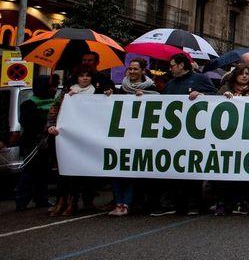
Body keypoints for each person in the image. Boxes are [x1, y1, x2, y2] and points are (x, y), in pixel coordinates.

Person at [149, 53, 216, 216]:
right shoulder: (170, 85)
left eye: (172, 65)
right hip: (173, 135)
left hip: (194, 133)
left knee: (192, 170)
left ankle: (194, 204)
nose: (170, 68)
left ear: (181, 65)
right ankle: (169, 204)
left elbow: (216, 97)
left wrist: (202, 96)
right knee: (170, 168)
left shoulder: (200, 79)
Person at [106, 58, 159, 216]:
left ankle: (127, 204)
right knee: (116, 169)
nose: (132, 72)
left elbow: (158, 103)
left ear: (143, 70)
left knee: (132, 172)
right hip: (121, 136)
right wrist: (108, 96)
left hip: (139, 137)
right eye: (130, 69)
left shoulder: (152, 88)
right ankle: (118, 202)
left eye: (136, 69)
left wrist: (145, 98)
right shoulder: (120, 89)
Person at [46, 67, 97, 216]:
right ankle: (61, 201)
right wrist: (51, 126)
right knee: (63, 170)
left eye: (88, 75)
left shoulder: (96, 93)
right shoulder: (67, 93)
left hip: (85, 137)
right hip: (66, 137)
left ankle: (72, 201)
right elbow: (54, 109)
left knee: (77, 171)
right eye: (82, 75)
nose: (85, 78)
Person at [214, 64, 249, 216]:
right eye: (241, 73)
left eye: (247, 73)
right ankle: (222, 202)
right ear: (235, 75)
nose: (245, 76)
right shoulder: (224, 91)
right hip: (227, 139)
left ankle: (241, 202)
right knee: (224, 173)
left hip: (246, 138)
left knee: (243, 174)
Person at [15, 75, 57, 212]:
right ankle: (22, 200)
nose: (54, 89)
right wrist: (44, 123)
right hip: (32, 144)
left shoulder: (53, 103)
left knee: (44, 172)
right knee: (29, 172)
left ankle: (41, 198)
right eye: (51, 86)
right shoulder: (29, 104)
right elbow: (27, 123)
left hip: (46, 144)